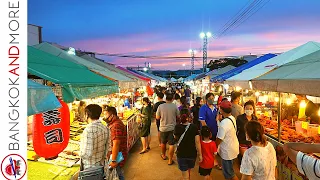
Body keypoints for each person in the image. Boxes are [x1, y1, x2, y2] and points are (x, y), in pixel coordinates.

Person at [174, 109, 202, 180]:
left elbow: (175, 138)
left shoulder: (177, 127)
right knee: (188, 170)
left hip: (181, 154)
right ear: (189, 117)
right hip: (192, 154)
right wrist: (200, 155)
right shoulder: (194, 127)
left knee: (185, 175)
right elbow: (197, 142)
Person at [80, 104, 109, 171]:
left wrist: (73, 153)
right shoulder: (105, 128)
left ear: (87, 115)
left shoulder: (88, 130)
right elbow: (108, 148)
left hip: (90, 168)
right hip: (101, 166)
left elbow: (87, 154)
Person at [216, 100, 239, 180]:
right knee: (231, 171)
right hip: (233, 148)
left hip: (227, 152)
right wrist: (218, 121)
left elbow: (219, 138)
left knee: (229, 174)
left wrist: (214, 147)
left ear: (221, 110)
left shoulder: (224, 123)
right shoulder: (231, 118)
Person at [156, 91, 180, 165]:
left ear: (165, 99)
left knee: (163, 142)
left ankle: (163, 155)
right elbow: (178, 116)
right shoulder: (174, 106)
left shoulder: (161, 106)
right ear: (172, 99)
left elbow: (157, 117)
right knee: (171, 144)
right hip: (172, 128)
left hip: (163, 128)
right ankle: (170, 160)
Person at [104, 106, 127, 180]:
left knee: (117, 174)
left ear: (112, 115)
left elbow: (116, 143)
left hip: (117, 155)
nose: (104, 117)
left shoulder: (115, 126)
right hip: (118, 154)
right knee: (118, 174)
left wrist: (113, 160)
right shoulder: (114, 123)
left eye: (106, 115)